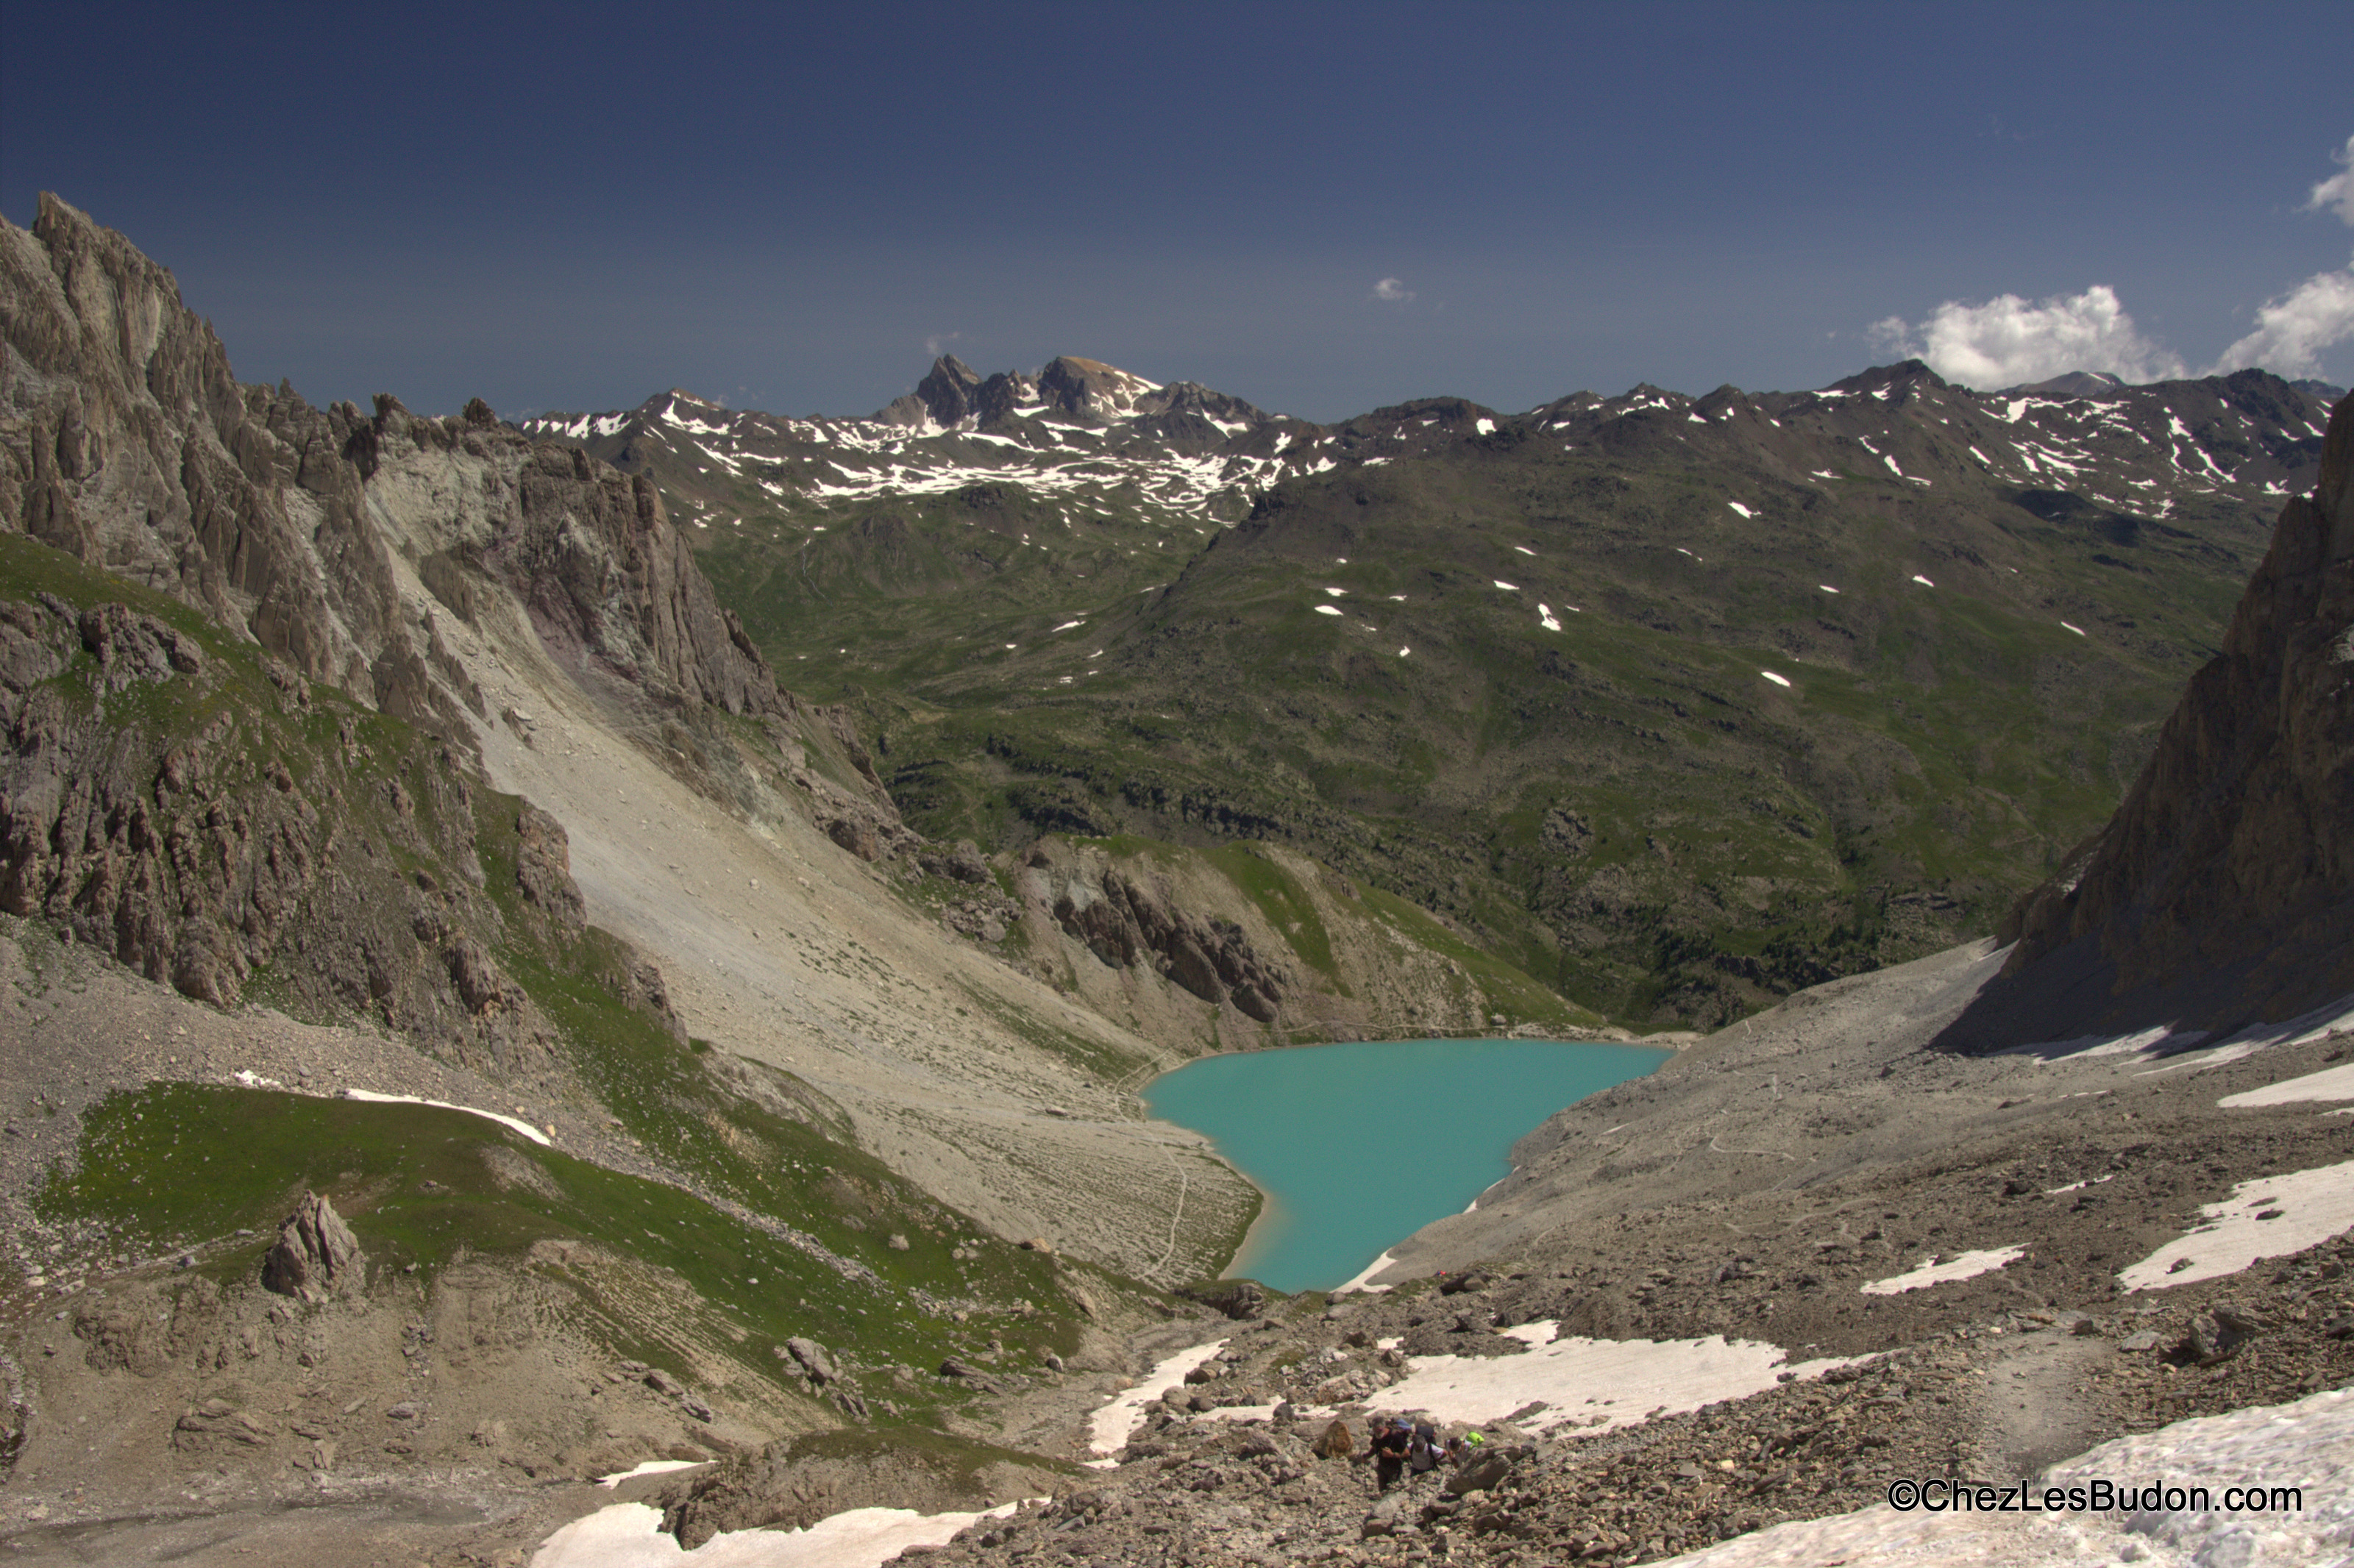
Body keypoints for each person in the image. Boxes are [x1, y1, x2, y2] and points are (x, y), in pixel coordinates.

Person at [1370, 1416, 1412, 1492]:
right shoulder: (1376, 1436)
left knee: (1392, 1491)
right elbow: (1374, 1448)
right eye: (1375, 1431)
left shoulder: (1395, 1436)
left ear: (1384, 1426)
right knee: (1382, 1491)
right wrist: (1366, 1456)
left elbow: (1407, 1453)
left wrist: (1392, 1455)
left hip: (1394, 1469)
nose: (1378, 1432)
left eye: (1379, 1430)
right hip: (1381, 1467)